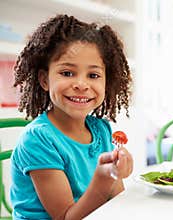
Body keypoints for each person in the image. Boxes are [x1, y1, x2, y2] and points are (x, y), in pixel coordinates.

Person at [10, 14, 133, 219]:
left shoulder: (102, 130)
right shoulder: (38, 140)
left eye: (93, 75)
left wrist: (116, 175)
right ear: (44, 80)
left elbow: (117, 200)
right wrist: (103, 181)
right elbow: (66, 217)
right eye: (67, 73)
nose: (81, 85)